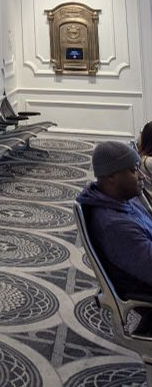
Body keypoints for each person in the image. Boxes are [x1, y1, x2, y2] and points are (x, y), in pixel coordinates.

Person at [77, 139, 152, 334]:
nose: (141, 175)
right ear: (111, 176)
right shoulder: (116, 225)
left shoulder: (122, 200)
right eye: (133, 170)